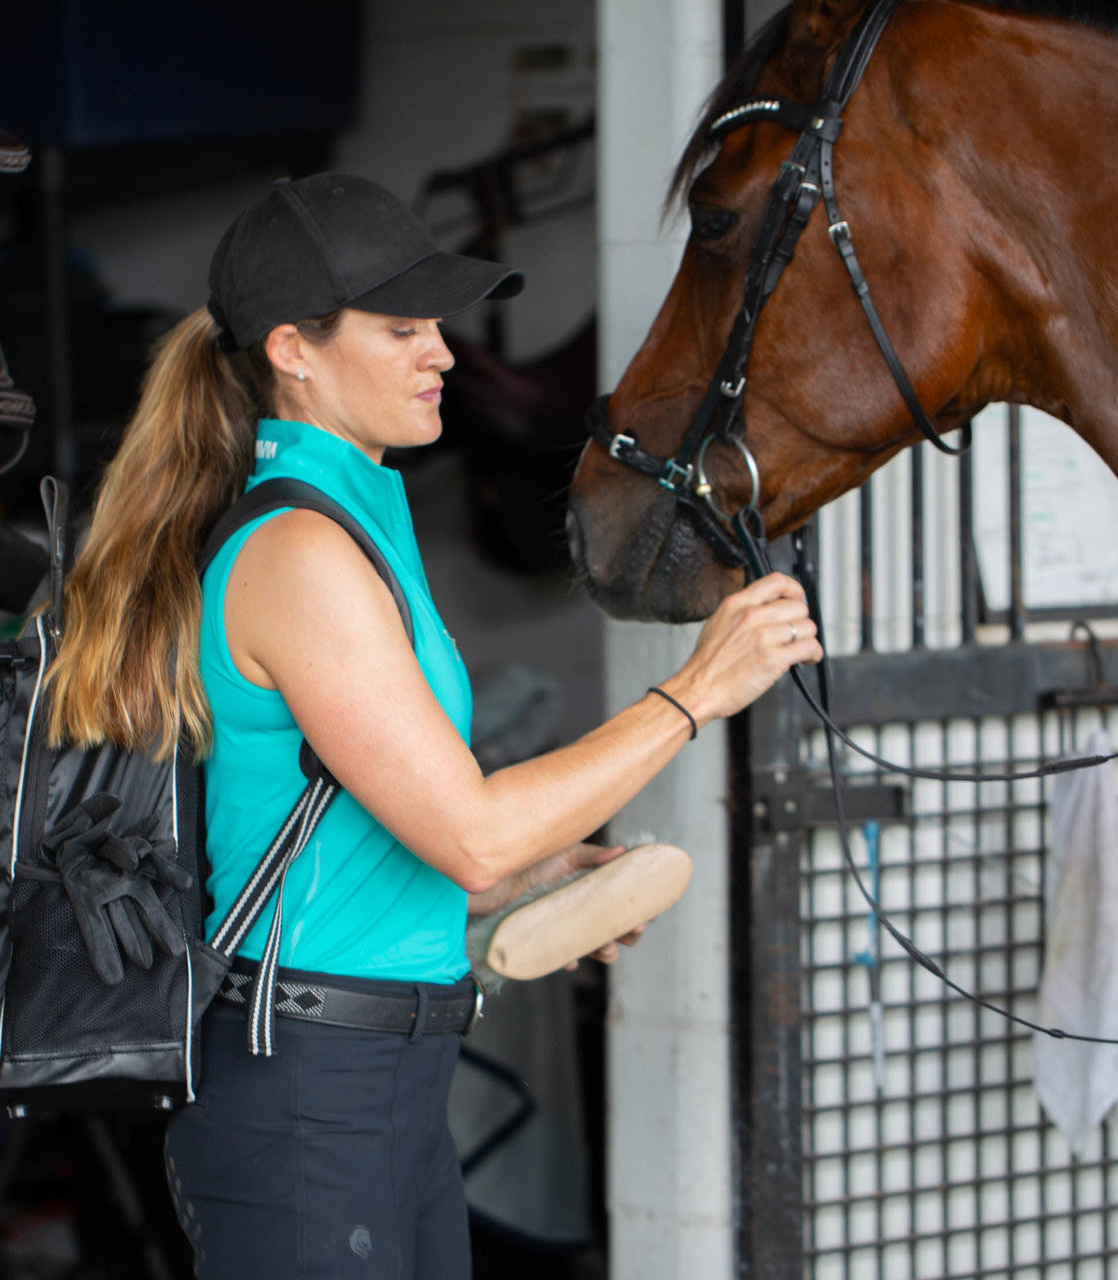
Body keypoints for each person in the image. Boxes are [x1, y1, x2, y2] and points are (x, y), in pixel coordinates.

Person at [44, 172, 822, 1280]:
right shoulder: (295, 555)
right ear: (291, 351)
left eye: (436, 324)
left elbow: (406, 834)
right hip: (309, 1092)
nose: (443, 352)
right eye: (400, 326)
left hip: (388, 1085)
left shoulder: (357, 520)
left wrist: (532, 876)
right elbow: (469, 828)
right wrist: (695, 691)